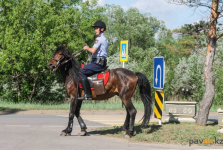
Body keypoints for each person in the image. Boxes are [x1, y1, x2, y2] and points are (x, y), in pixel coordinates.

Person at [78, 20, 109, 100]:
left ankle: (87, 94)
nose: (95, 30)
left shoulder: (99, 39)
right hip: (100, 62)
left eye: (96, 28)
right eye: (95, 28)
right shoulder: (104, 39)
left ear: (102, 29)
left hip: (97, 63)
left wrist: (87, 48)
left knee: (81, 72)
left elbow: (93, 50)